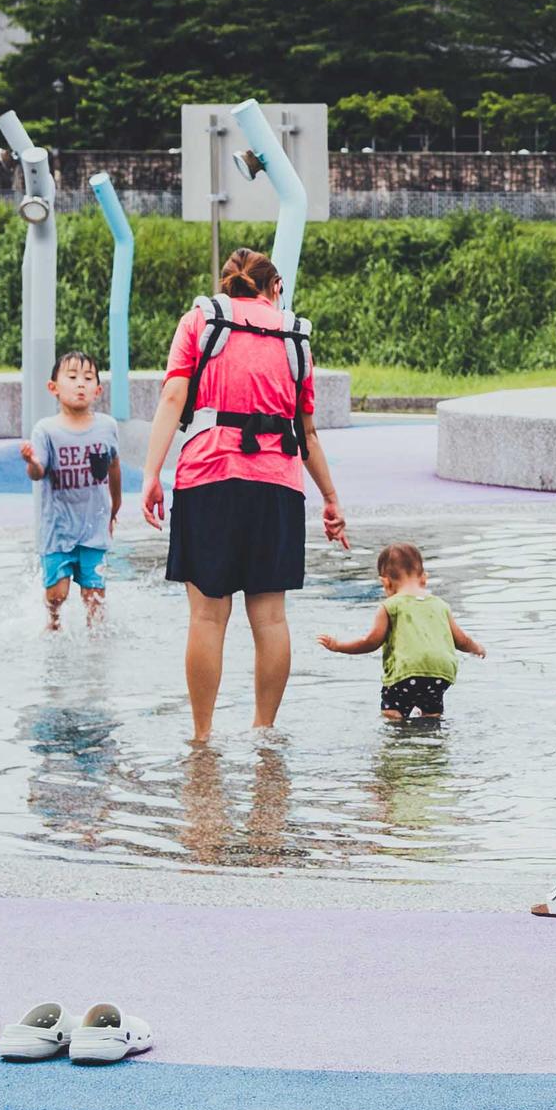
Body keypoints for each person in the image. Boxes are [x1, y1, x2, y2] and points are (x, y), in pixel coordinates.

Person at [140, 248, 350, 741]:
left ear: (228, 285)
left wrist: (151, 473)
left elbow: (173, 397)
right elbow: (309, 434)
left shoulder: (199, 321)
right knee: (271, 618)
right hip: (276, 485)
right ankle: (263, 732)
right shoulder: (295, 336)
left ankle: (202, 736)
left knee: (208, 617)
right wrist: (331, 498)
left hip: (208, 476)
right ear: (274, 287)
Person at [318, 540, 488, 720]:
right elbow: (461, 641)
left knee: (392, 712)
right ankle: (431, 727)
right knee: (431, 715)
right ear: (424, 577)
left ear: (386, 582)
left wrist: (338, 646)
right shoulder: (441, 605)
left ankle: (398, 735)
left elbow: (370, 642)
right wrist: (477, 648)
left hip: (406, 671)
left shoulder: (390, 606)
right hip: (441, 672)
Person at [22, 349, 123, 630]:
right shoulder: (46, 430)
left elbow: (114, 468)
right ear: (53, 387)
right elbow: (38, 472)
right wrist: (31, 462)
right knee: (58, 595)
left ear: (98, 390)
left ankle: (96, 645)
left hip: (94, 529)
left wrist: (115, 508)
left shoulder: (107, 427)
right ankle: (52, 624)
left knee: (95, 598)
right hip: (57, 530)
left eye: (88, 378)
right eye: (73, 376)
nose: (81, 383)